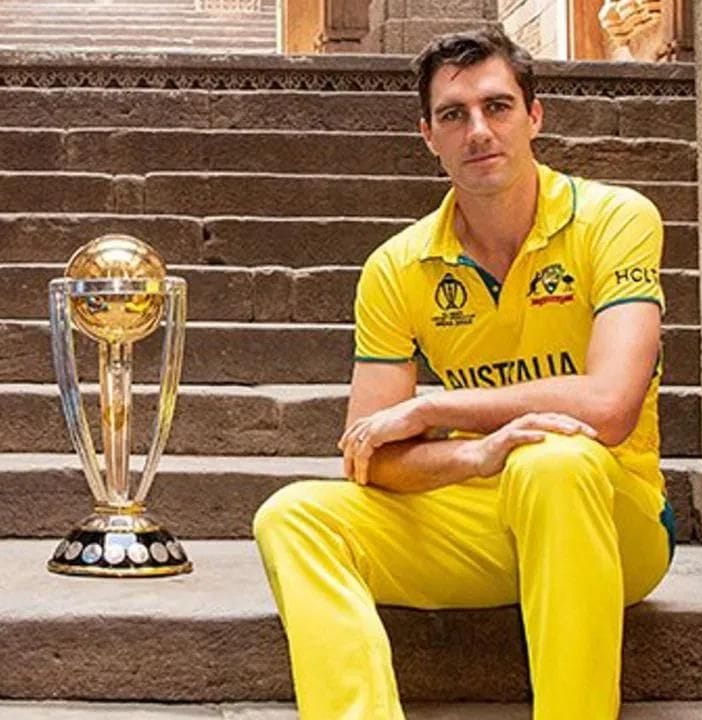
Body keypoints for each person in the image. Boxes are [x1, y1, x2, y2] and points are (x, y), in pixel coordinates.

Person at [253, 27, 676, 720]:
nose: (478, 130)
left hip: (613, 518)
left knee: (554, 461)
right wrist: (476, 454)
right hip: (484, 515)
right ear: (429, 135)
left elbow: (609, 405)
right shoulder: (397, 266)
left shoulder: (615, 219)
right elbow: (371, 456)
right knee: (293, 517)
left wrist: (435, 408)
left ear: (534, 116)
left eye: (497, 106)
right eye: (453, 114)